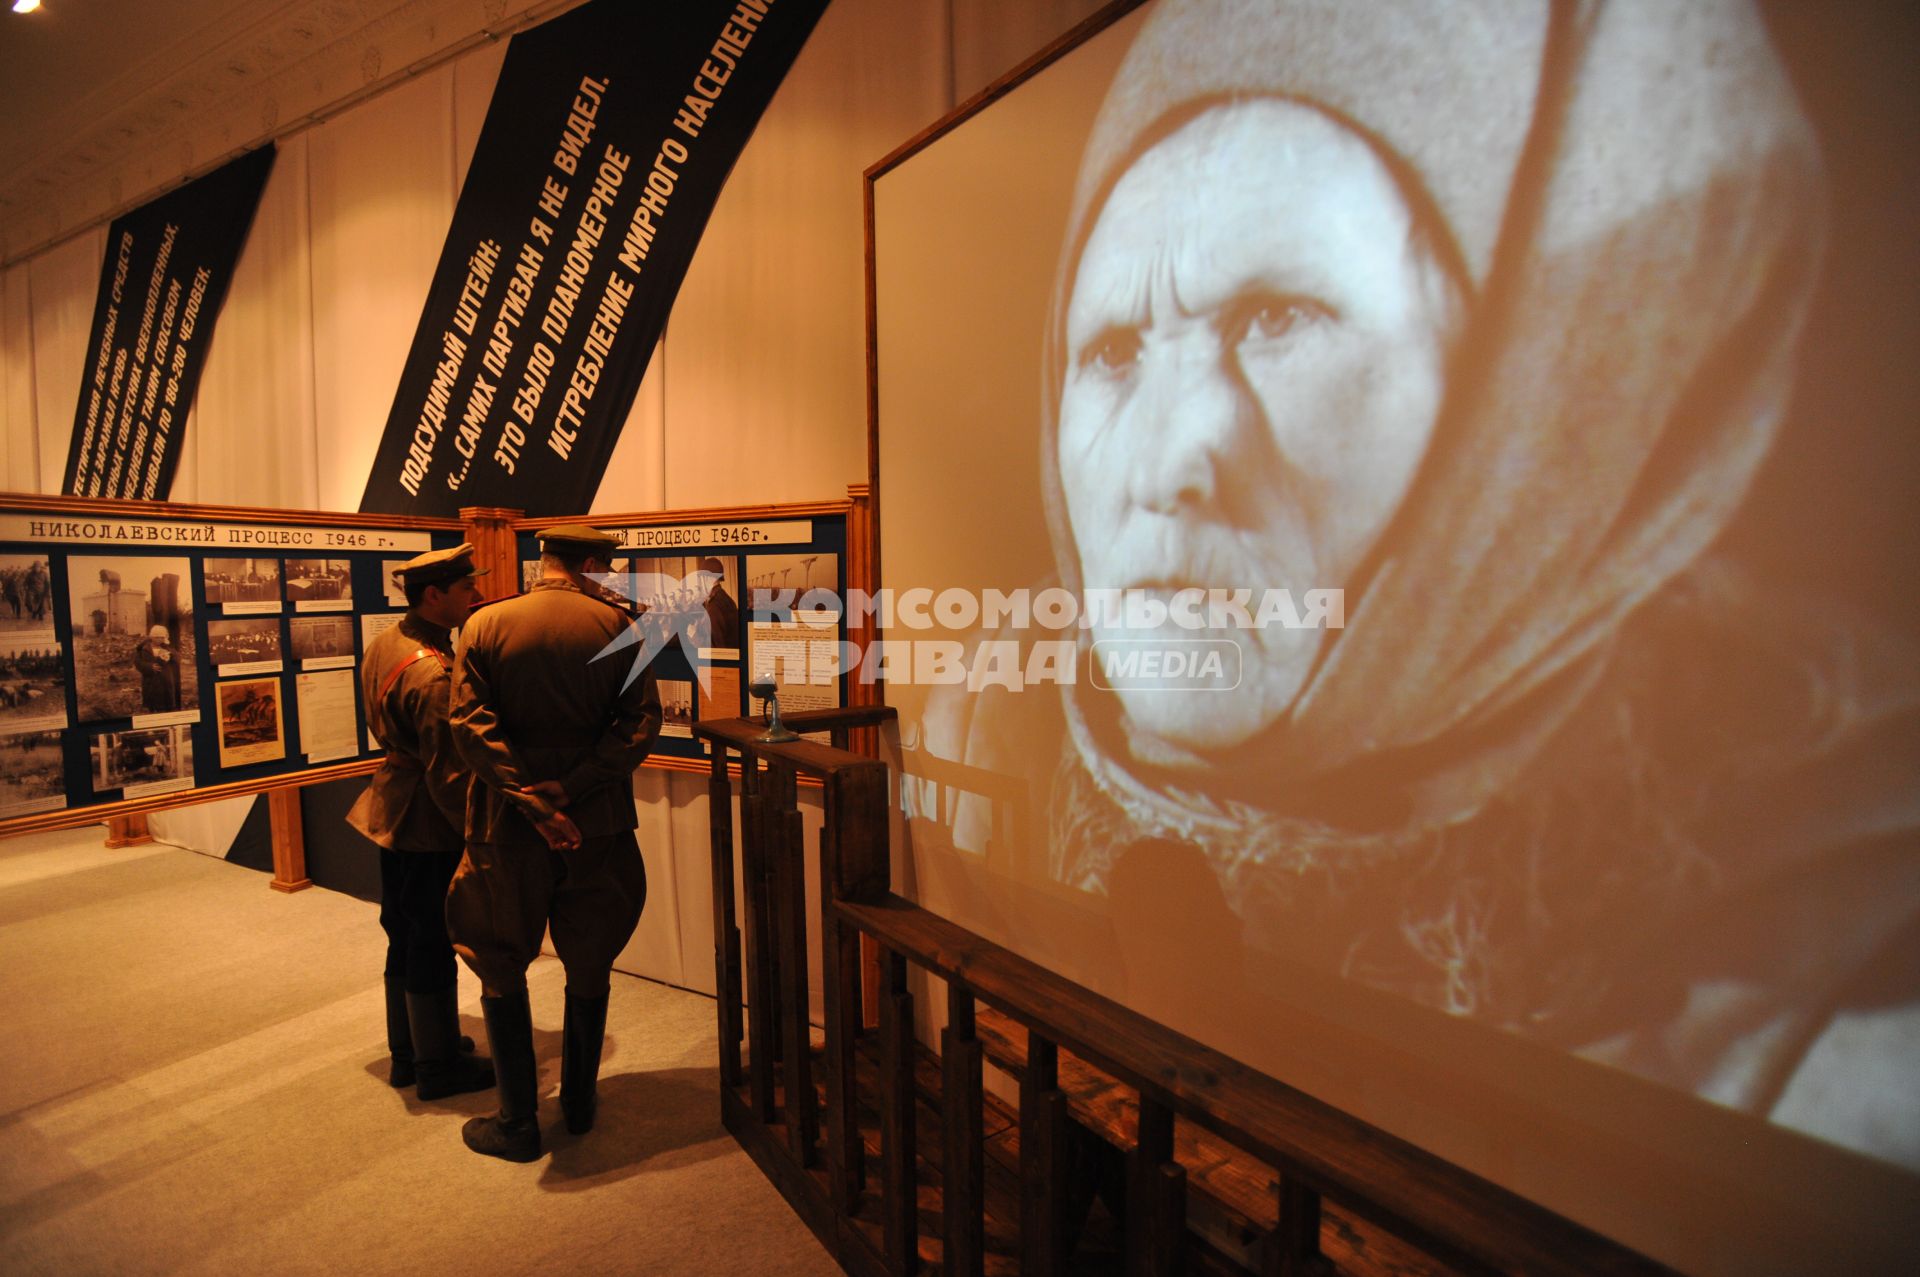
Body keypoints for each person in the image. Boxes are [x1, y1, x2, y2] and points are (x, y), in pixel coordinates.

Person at [922, 0, 1920, 1165]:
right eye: (1110, 351)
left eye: (1278, 318)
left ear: (1551, 394)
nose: (1169, 459)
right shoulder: (981, 738)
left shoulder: (1845, 1007)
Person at [448, 523, 663, 1162]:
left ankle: (517, 1123)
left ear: (544, 559)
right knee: (591, 953)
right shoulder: (620, 627)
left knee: (498, 957)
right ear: (594, 562)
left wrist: (526, 799)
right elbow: (639, 723)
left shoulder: (487, 624)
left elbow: (469, 722)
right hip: (595, 821)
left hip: (503, 825)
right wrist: (570, 789)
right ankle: (577, 1103)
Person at [346, 544, 495, 1101]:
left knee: (402, 929)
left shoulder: (388, 643)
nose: (476, 596)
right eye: (465, 589)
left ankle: (409, 1051)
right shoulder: (433, 673)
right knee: (432, 934)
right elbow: (450, 772)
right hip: (428, 818)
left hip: (394, 805)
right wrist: (478, 835)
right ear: (434, 596)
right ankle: (436, 1066)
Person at [134, 624, 180, 712]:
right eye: (157, 637)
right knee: (152, 698)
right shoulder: (144, 649)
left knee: (165, 699)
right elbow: (138, 662)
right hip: (150, 679)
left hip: (165, 678)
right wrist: (149, 667)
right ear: (152, 637)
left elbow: (177, 658)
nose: (159, 640)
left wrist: (170, 655)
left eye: (162, 637)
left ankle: (166, 710)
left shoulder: (167, 647)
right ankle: (152, 710)